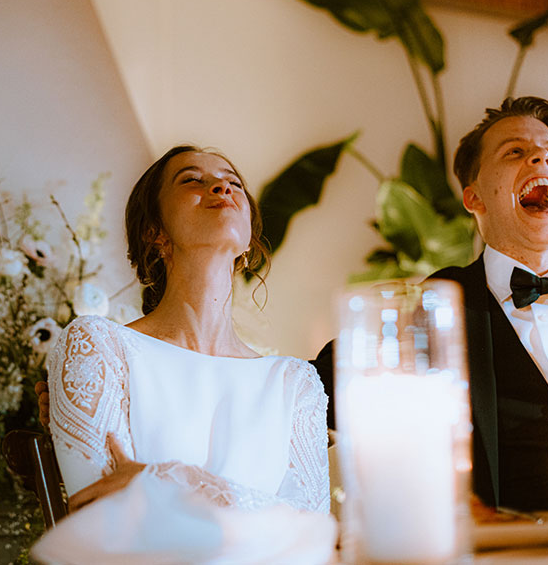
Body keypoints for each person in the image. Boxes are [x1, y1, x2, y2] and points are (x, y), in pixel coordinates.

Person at [310, 96, 548, 512]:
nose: (540, 158)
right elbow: (318, 396)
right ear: (474, 198)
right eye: (515, 151)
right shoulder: (433, 305)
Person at [32, 146, 334, 564]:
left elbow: (310, 543)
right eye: (191, 180)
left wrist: (169, 481)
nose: (221, 186)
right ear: (154, 231)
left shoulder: (295, 383)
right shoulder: (97, 348)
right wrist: (257, 521)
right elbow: (103, 526)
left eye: (234, 182)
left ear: (247, 238)